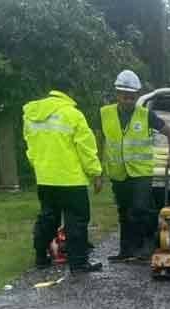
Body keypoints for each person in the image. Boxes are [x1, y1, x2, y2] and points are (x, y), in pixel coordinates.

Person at [23, 80, 104, 273]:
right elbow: (85, 148)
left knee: (48, 218)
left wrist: (40, 167)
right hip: (71, 181)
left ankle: (41, 257)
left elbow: (30, 147)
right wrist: (96, 173)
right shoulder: (73, 115)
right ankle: (78, 263)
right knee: (76, 221)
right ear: (70, 91)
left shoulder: (32, 115)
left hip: (45, 179)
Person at [100, 70, 170, 262]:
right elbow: (101, 140)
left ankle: (148, 244)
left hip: (140, 172)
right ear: (117, 94)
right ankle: (125, 250)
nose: (128, 100)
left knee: (141, 209)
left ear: (137, 96)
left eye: (132, 97)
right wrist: (98, 172)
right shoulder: (105, 113)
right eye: (125, 96)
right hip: (118, 172)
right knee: (124, 211)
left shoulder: (145, 114)